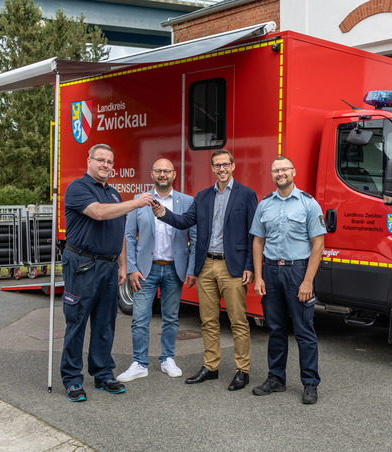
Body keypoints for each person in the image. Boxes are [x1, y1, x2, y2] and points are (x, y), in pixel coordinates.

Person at [152, 149, 257, 391]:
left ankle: (243, 370)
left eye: (225, 164)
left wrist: (250, 266)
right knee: (208, 321)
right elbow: (185, 221)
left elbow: (253, 234)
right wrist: (163, 213)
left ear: (233, 166)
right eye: (217, 165)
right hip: (206, 266)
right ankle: (211, 366)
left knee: (238, 321)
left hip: (233, 267)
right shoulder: (203, 196)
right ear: (212, 169)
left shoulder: (247, 195)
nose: (221, 169)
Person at [61, 143, 153, 402]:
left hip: (109, 266)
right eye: (100, 160)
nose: (105, 165)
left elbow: (120, 231)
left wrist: (123, 264)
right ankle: (72, 379)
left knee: (105, 324)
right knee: (77, 321)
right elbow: (99, 214)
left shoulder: (113, 193)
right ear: (88, 161)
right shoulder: (78, 188)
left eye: (109, 161)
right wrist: (135, 203)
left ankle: (102, 373)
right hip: (83, 264)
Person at [250, 156, 326, 404]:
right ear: (271, 175)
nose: (280, 173)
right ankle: (276, 378)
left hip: (297, 272)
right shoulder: (265, 205)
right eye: (275, 170)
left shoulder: (308, 204)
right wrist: (259, 276)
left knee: (304, 330)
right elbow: (258, 241)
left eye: (284, 169)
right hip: (271, 272)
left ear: (293, 171)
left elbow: (318, 245)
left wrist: (307, 281)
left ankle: (310, 383)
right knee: (276, 329)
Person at [116, 158, 197, 383]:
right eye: (158, 171)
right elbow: (129, 236)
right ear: (152, 174)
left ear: (174, 174)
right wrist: (131, 268)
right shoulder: (139, 201)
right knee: (140, 319)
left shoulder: (187, 201)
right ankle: (139, 363)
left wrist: (191, 269)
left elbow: (195, 237)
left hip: (174, 270)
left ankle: (167, 358)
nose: (163, 174)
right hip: (145, 271)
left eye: (167, 171)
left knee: (171, 318)